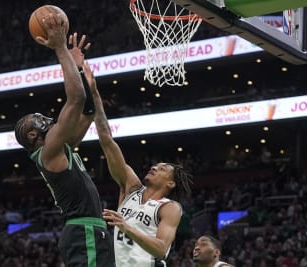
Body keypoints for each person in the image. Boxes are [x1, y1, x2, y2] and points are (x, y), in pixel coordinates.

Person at [14, 13, 115, 267]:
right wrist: (61, 49)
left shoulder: (61, 148)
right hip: (84, 231)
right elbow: (77, 100)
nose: (43, 117)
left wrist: (79, 68)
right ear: (32, 135)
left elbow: (88, 112)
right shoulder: (49, 152)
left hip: (88, 231)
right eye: (36, 118)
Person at [81, 61, 193, 266]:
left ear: (171, 183)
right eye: (156, 165)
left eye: (163, 168)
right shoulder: (130, 188)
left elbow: (161, 250)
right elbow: (106, 139)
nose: (155, 167)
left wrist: (126, 227)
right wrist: (94, 93)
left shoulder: (169, 207)